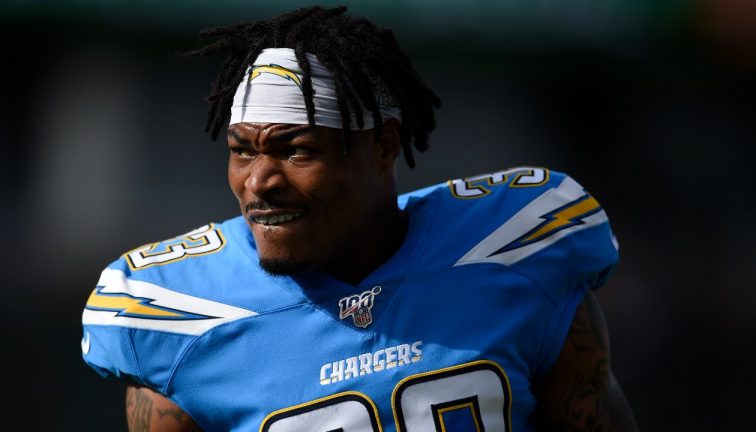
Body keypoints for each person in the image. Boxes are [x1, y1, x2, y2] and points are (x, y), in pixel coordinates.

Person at [81, 6, 638, 431]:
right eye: (242, 150)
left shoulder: (516, 249)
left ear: (383, 146)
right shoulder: (181, 315)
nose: (259, 182)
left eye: (297, 150)